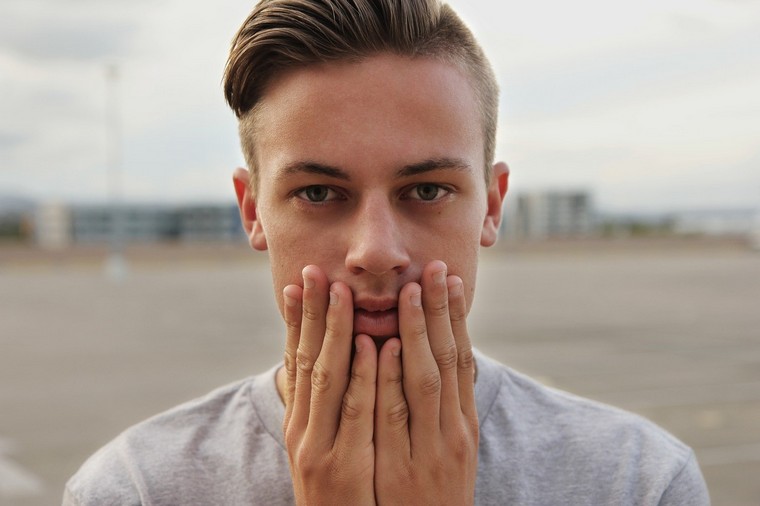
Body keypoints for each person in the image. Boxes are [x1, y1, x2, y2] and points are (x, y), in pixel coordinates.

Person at [63, 0, 710, 504]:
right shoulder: (133, 490)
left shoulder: (638, 482)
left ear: (491, 203)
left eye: (426, 189)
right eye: (319, 192)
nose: (377, 251)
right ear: (253, 209)